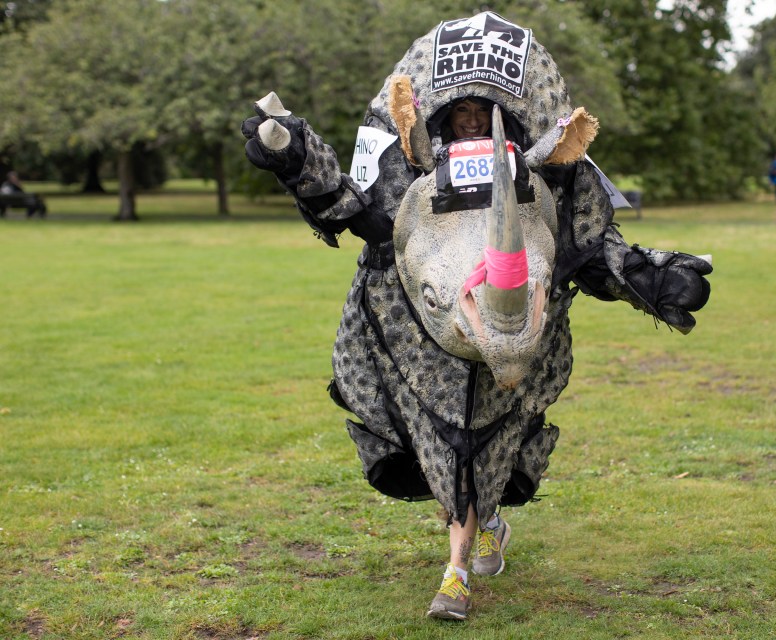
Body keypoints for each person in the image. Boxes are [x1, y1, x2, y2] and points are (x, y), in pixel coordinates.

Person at [242, 11, 712, 621]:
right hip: (423, 334)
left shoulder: (539, 172)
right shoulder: (406, 164)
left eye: (483, 113)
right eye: (461, 112)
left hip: (511, 336)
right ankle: (473, 535)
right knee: (443, 447)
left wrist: (650, 277)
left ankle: (457, 569)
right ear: (439, 115)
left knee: (480, 445)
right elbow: (350, 205)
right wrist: (295, 155)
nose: (472, 121)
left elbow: (588, 247)